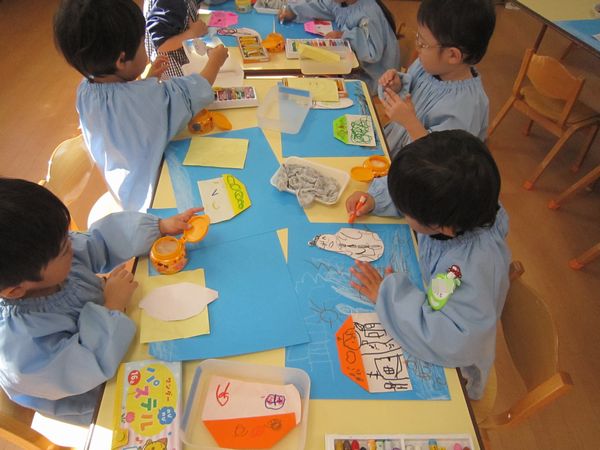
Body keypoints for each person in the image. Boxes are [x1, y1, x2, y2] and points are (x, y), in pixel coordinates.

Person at [0, 178, 203, 425]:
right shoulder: (21, 348)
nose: (72, 244)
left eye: (66, 236)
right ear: (15, 290)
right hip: (101, 397)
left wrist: (159, 227)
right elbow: (85, 366)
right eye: (64, 249)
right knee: (191, 402)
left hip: (116, 331)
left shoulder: (47, 257)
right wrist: (112, 306)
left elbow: (98, 241)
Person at [345, 130, 511, 399]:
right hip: (434, 297)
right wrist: (377, 199)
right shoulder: (466, 202)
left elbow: (454, 340)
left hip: (455, 370)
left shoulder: (470, 268)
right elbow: (421, 192)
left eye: (405, 210)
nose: (403, 210)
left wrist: (389, 296)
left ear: (442, 226)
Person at [54, 0, 228, 212]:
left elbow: (121, 108)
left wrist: (146, 80)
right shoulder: (148, 97)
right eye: (142, 41)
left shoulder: (84, 91)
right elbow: (193, 91)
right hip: (156, 197)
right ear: (121, 60)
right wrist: (215, 61)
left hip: (122, 191)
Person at [378, 0, 496, 158]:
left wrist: (410, 122)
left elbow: (441, 160)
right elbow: (409, 93)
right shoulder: (429, 66)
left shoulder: (465, 107)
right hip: (391, 148)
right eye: (418, 37)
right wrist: (398, 86)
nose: (417, 47)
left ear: (452, 55)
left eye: (423, 43)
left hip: (414, 167)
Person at [279, 0, 400, 95]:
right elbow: (321, 6)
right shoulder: (341, 2)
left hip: (377, 79)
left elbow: (372, 52)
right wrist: (294, 11)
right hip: (353, 65)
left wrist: (344, 35)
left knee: (317, 86)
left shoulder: (369, 13)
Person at [144, 0, 209, 79]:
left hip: (186, 53)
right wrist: (192, 33)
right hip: (174, 69)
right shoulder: (169, 3)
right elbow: (162, 44)